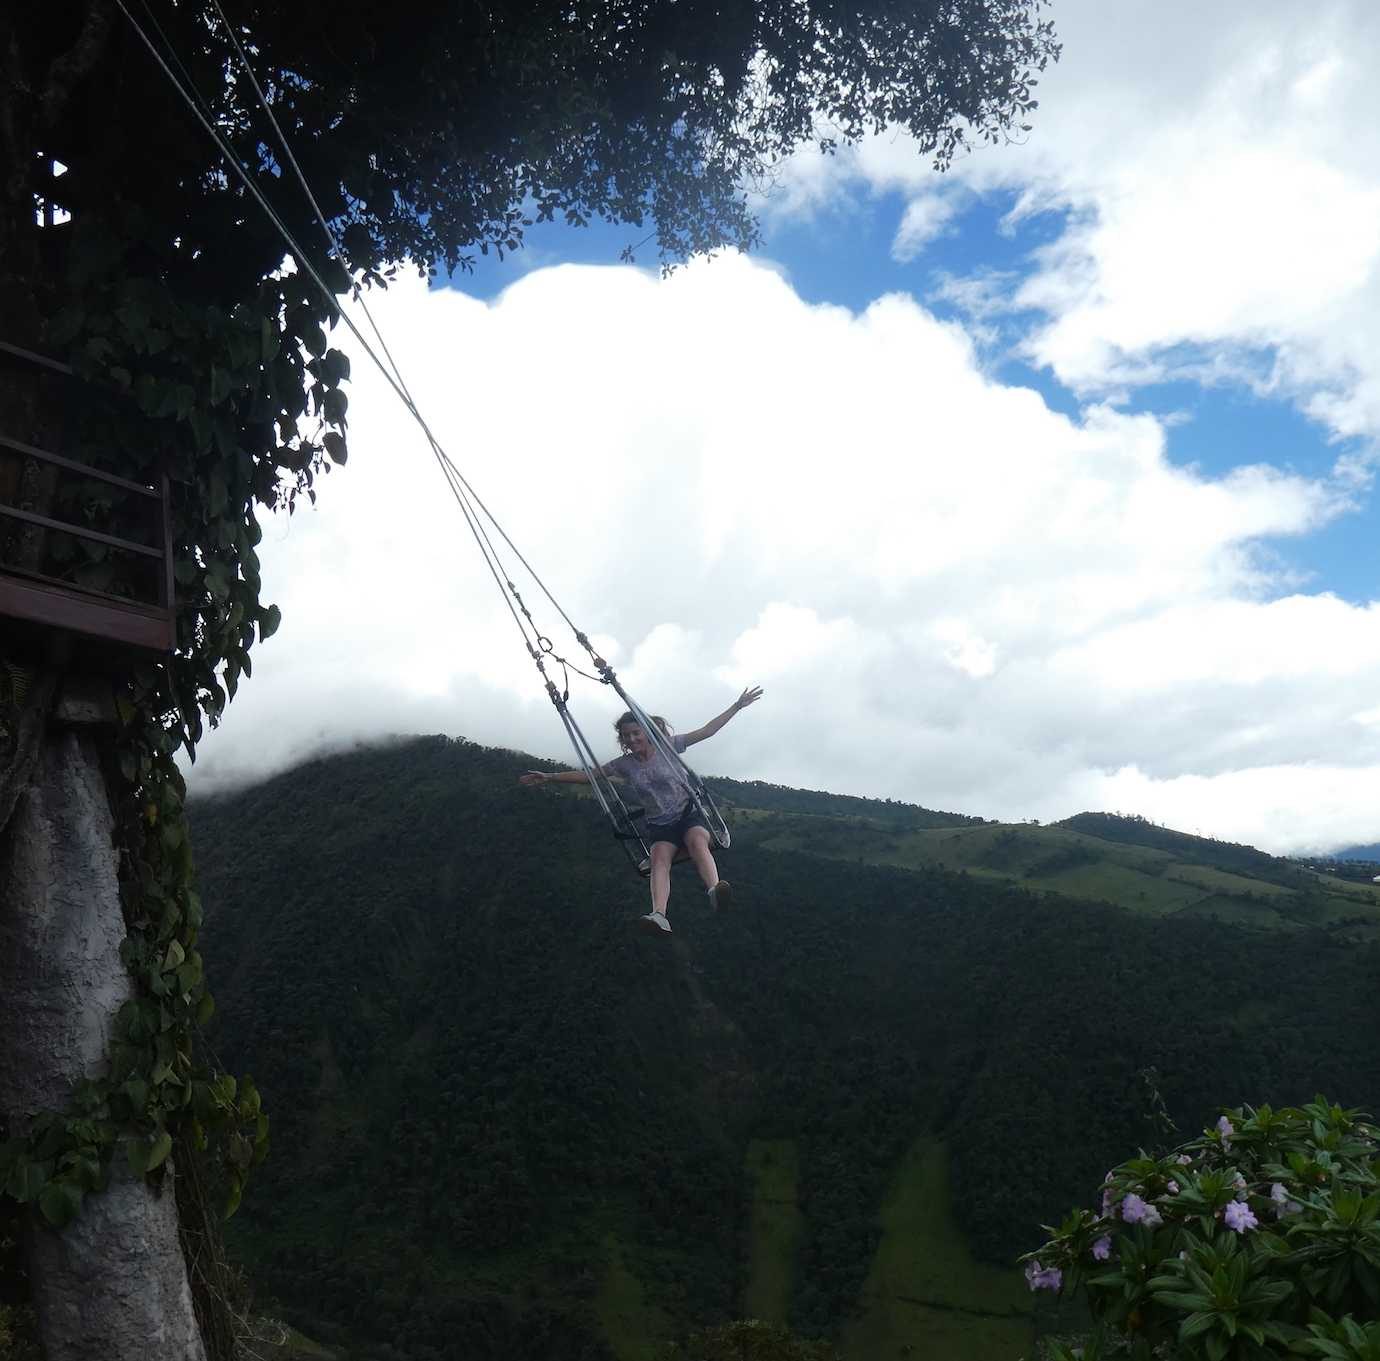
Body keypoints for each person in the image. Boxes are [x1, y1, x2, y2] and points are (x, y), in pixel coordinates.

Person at [519, 686, 763, 932]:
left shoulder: (668, 746)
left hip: (687, 814)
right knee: (658, 859)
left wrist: (737, 705)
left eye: (636, 733)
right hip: (659, 824)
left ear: (646, 732)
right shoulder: (624, 765)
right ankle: (659, 915)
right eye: (627, 736)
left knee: (697, 841)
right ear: (622, 740)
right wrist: (550, 776)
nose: (632, 739)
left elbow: (707, 731)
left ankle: (715, 889)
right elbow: (589, 776)